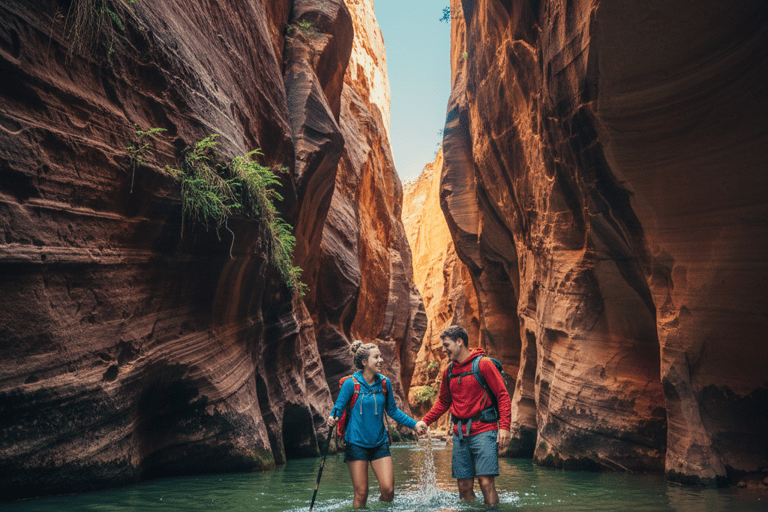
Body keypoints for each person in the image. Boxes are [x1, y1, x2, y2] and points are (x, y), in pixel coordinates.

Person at [327, 340, 428, 509]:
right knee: (361, 494)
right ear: (364, 362)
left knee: (388, 491)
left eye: (380, 356)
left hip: (379, 443)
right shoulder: (350, 383)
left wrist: (414, 424)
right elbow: (338, 407)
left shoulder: (384, 383)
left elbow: (393, 411)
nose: (381, 360)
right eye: (376, 357)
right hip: (356, 444)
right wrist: (333, 417)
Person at [421, 325, 511, 506]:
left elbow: (502, 395)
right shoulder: (449, 371)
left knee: (486, 482)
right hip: (460, 434)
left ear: (459, 342)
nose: (444, 349)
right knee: (463, 487)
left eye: (446, 345)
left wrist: (505, 427)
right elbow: (443, 402)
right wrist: (425, 421)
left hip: (485, 430)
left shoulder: (483, 364)